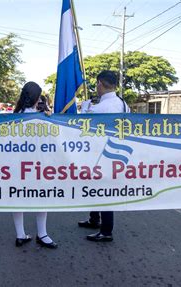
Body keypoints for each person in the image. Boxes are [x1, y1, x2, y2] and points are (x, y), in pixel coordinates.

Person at [78, 70, 130, 242]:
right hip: (116, 151)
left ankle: (106, 231)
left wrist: (85, 109)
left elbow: (82, 127)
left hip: (101, 154)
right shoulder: (123, 104)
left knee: (103, 190)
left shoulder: (100, 108)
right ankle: (95, 219)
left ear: (100, 83)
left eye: (97, 84)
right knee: (98, 188)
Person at [11, 81, 57, 249]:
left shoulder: (14, 115)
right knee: (41, 197)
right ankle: (42, 234)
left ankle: (20, 234)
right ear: (37, 98)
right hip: (38, 164)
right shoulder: (42, 118)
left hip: (17, 164)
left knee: (17, 198)